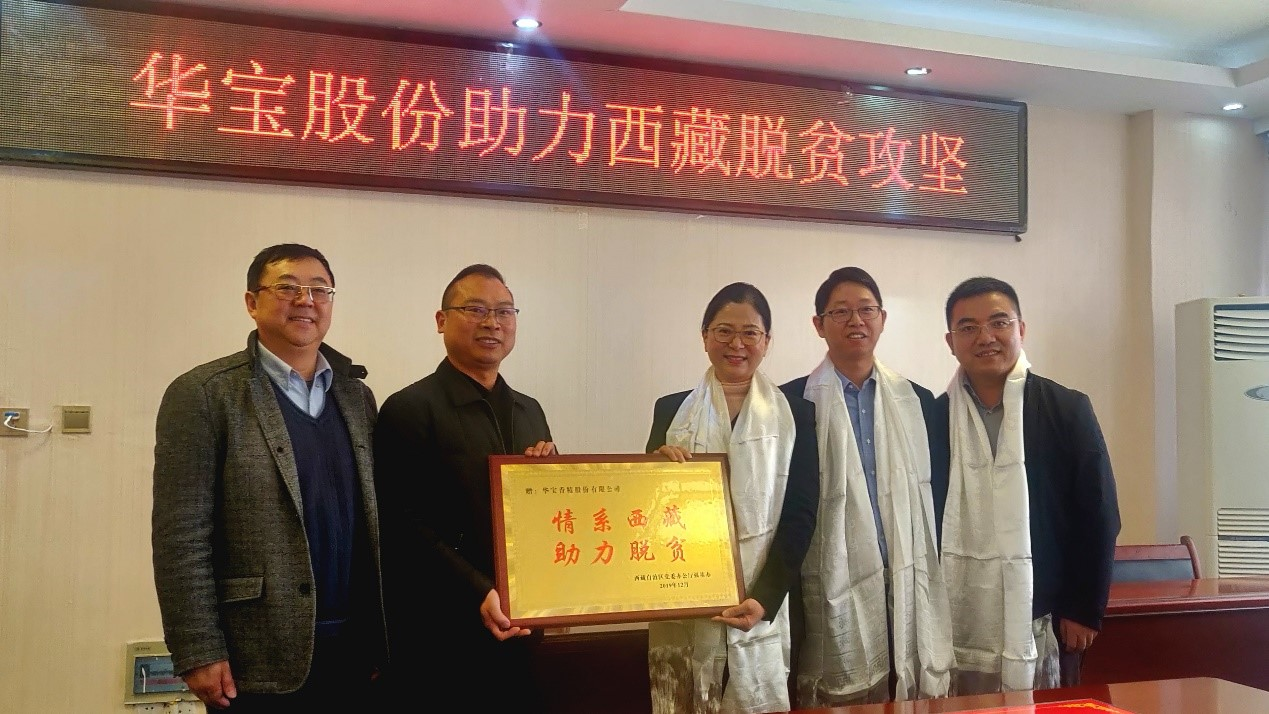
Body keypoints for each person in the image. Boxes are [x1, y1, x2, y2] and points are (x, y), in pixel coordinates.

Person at [152, 244, 386, 710]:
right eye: (287, 287)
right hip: (255, 651)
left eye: (320, 290)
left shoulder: (356, 396)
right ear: (251, 302)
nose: (306, 300)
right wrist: (198, 648)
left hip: (355, 647)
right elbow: (181, 535)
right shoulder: (204, 394)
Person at [373, 264, 555, 710]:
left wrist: (551, 477)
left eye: (504, 311)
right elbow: (402, 523)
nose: (492, 322)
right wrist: (478, 590)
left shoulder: (529, 410)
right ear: (441, 320)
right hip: (441, 633)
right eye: (475, 309)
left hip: (522, 625)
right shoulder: (409, 408)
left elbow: (546, 515)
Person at [935, 276, 1120, 694]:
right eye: (968, 327)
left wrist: (1083, 608)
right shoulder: (935, 417)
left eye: (999, 322)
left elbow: (1100, 513)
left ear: (1021, 329)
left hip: (1046, 614)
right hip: (959, 618)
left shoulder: (1066, 409)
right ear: (951, 341)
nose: (985, 337)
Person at [646, 282, 819, 714]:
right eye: (724, 331)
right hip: (689, 601)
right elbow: (649, 515)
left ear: (767, 341)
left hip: (764, 600)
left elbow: (800, 514)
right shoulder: (670, 410)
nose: (736, 344)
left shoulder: (797, 413)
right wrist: (654, 474)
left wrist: (764, 597)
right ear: (705, 336)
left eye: (750, 333)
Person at [785, 267, 953, 706]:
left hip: (905, 572)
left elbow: (937, 494)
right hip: (828, 579)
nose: (855, 320)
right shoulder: (791, 402)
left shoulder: (918, 400)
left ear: (882, 319)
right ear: (819, 324)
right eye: (840, 312)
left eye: (866, 309)